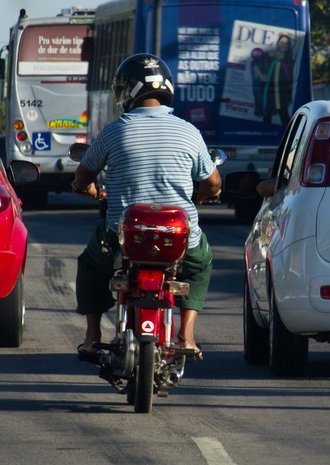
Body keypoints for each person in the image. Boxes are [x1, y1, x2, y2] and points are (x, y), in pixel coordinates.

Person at [71, 53, 222, 361]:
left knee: (91, 265)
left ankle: (92, 336)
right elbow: (214, 182)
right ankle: (187, 336)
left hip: (123, 237)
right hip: (178, 237)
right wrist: (199, 199)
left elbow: (84, 173)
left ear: (133, 91)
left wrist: (83, 188)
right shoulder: (189, 132)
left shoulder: (114, 131)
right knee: (200, 263)